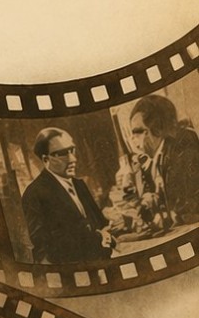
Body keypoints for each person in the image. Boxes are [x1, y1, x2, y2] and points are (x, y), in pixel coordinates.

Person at [21, 127, 115, 264]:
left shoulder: (79, 185)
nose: (72, 159)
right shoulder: (34, 194)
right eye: (62, 154)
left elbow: (101, 224)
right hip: (71, 271)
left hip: (103, 264)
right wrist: (97, 238)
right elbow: (46, 248)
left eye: (72, 150)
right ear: (46, 159)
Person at [124, 95, 199, 231]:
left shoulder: (182, 145)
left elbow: (189, 205)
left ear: (157, 128)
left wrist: (164, 219)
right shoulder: (160, 155)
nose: (133, 139)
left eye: (138, 132)